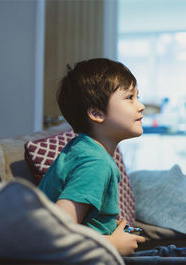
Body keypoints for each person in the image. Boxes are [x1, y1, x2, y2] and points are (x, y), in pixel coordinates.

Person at [38, 58, 146, 256]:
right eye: (129, 97)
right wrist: (112, 243)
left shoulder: (83, 149)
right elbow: (56, 232)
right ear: (97, 113)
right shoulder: (95, 163)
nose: (141, 106)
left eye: (138, 96)